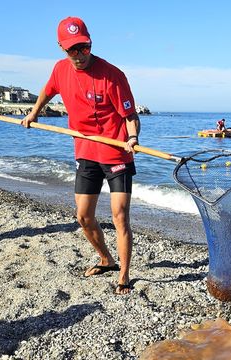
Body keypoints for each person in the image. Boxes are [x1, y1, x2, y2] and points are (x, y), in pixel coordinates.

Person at [22, 16, 140, 295]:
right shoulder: (60, 69)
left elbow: (131, 116)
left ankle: (123, 275)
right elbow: (48, 90)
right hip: (86, 151)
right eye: (71, 50)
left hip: (116, 152)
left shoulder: (113, 75)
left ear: (90, 44)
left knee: (120, 217)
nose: (78, 55)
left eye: (83, 48)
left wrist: (132, 138)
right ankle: (106, 259)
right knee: (83, 217)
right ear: (62, 48)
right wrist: (34, 113)